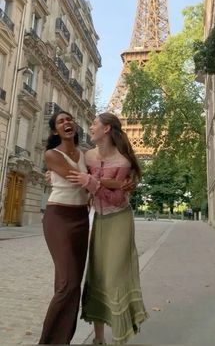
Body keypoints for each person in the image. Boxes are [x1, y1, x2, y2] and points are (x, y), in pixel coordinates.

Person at [39, 111, 132, 345]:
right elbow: (80, 178)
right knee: (67, 284)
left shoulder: (86, 154)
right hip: (58, 217)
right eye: (60, 121)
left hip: (80, 218)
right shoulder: (52, 154)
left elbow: (97, 177)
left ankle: (63, 340)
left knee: (72, 284)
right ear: (54, 130)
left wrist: (124, 182)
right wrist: (119, 183)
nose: (67, 122)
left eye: (69, 119)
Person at [67, 112, 149, 345]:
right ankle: (99, 339)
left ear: (106, 129)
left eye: (94, 123)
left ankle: (120, 337)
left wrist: (93, 183)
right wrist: (54, 174)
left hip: (119, 219)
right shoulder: (88, 155)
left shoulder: (122, 162)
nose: (90, 126)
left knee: (114, 278)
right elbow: (73, 171)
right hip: (100, 221)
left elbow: (116, 199)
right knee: (98, 276)